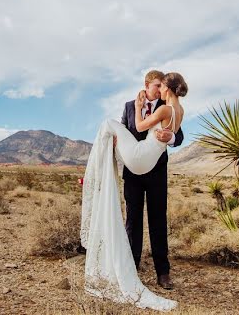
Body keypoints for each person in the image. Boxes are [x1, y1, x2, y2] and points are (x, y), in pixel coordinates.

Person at [80, 71, 187, 311]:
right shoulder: (130, 105)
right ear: (147, 85)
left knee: (158, 220)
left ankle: (163, 272)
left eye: (162, 86)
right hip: (133, 172)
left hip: (156, 171)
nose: (159, 90)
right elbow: (128, 128)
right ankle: (131, 266)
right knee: (133, 221)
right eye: (156, 86)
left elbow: (178, 136)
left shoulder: (166, 106)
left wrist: (170, 138)